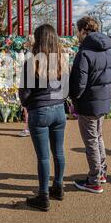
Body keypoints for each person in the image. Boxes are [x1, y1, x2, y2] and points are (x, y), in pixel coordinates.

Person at [18, 24, 68, 211]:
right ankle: (59, 187)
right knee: (59, 151)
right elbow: (65, 89)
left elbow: (24, 93)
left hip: (39, 110)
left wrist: (28, 104)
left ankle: (43, 196)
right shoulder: (62, 59)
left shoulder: (32, 61)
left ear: (38, 39)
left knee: (43, 157)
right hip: (58, 109)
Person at [69, 16, 111, 194]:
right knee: (98, 137)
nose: (76, 34)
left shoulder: (84, 52)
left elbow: (79, 83)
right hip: (103, 100)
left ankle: (94, 180)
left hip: (88, 103)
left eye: (77, 31)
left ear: (83, 31)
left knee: (91, 141)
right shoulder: (110, 51)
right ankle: (102, 172)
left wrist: (74, 97)